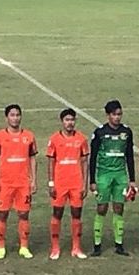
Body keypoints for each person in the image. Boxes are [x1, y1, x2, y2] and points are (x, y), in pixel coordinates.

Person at [88, 100, 137, 257]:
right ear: (108, 115)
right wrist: (92, 181)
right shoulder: (99, 132)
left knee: (119, 208)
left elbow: (129, 156)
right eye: (114, 114)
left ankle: (119, 244)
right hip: (103, 176)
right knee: (101, 208)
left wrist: (132, 179)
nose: (117, 117)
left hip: (120, 175)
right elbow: (93, 157)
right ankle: (97, 245)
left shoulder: (127, 132)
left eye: (119, 114)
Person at [0, 103, 38, 259]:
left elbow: (32, 158)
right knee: (2, 214)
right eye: (12, 115)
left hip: (23, 182)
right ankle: (0, 247)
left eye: (17, 115)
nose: (15, 118)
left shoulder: (29, 136)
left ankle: (24, 246)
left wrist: (33, 180)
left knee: (24, 214)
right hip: (5, 183)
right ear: (6, 118)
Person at [47, 108, 90, 259]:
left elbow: (85, 162)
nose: (70, 123)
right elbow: (51, 162)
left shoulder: (81, 139)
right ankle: (55, 248)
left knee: (76, 214)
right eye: (67, 120)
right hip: (60, 183)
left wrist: (85, 184)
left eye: (72, 120)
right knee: (57, 213)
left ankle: (76, 248)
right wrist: (51, 183)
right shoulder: (54, 139)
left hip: (76, 183)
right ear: (62, 121)